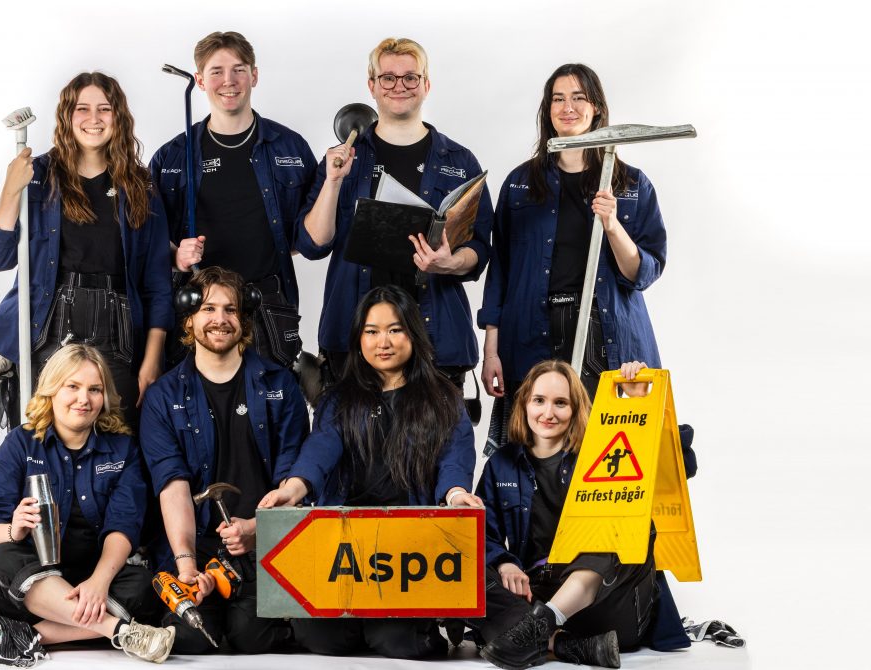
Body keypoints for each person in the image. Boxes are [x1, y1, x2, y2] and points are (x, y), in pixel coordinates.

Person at [258, 285, 480, 659]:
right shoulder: (338, 398)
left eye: (395, 330)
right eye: (372, 331)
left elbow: (454, 458)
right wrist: (293, 488)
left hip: (407, 546)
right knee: (322, 639)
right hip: (348, 544)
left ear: (413, 333)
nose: (383, 342)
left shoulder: (443, 398)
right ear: (359, 338)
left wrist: (456, 494)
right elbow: (321, 449)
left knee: (400, 643)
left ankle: (400, 626)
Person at [479, 63, 667, 449]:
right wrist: (491, 350)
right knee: (535, 453)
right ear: (547, 110)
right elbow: (500, 271)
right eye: (558, 99)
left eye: (579, 97)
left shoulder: (631, 184)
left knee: (605, 452)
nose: (568, 107)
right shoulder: (519, 184)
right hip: (531, 332)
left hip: (604, 335)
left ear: (596, 107)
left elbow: (643, 273)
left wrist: (612, 225)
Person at [296, 37, 493, 388]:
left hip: (435, 339)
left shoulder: (460, 161)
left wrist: (449, 263)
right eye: (388, 78)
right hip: (353, 337)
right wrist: (333, 182)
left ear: (426, 85)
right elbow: (313, 245)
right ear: (372, 85)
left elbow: (479, 247)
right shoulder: (341, 160)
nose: (399, 86)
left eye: (410, 77)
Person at [0, 72, 172, 430]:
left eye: (105, 108)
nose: (94, 118)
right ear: (67, 116)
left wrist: (152, 359)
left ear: (119, 116)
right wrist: (10, 190)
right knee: (43, 440)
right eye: (82, 108)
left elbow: (157, 283)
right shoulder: (38, 176)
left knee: (116, 437)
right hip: (48, 326)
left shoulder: (140, 187)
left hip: (117, 333)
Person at [473, 360, 693, 670]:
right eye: (539, 400)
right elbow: (482, 534)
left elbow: (680, 463)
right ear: (524, 404)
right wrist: (504, 562)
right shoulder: (501, 464)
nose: (548, 413)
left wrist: (637, 404)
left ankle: (541, 625)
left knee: (628, 525)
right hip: (539, 592)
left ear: (576, 409)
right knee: (464, 569)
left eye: (560, 403)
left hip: (609, 599)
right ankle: (564, 644)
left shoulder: (600, 450)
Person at [0, 345, 175, 664]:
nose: (83, 399)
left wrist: (99, 582)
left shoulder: (123, 450)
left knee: (145, 586)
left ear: (104, 397)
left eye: (94, 389)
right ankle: (119, 631)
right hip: (30, 576)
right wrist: (14, 530)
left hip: (90, 575)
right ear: (52, 389)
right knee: (0, 559)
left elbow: (124, 525)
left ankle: (23, 634)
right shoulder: (22, 443)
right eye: (72, 386)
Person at [138, 266, 309, 654]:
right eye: (209, 309)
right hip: (197, 546)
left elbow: (291, 480)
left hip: (264, 540)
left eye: (231, 310)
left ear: (243, 319)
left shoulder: (280, 385)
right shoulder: (163, 397)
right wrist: (186, 567)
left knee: (252, 637)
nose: (220, 319)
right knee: (189, 639)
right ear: (189, 318)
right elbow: (173, 487)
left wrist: (259, 531)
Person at [150, 31, 317, 367]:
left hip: (267, 307)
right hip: (199, 307)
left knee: (272, 398)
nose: (229, 81)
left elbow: (310, 236)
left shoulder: (290, 147)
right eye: (216, 72)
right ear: (199, 80)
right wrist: (176, 256)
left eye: (239, 70)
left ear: (254, 75)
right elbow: (148, 238)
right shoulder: (172, 156)